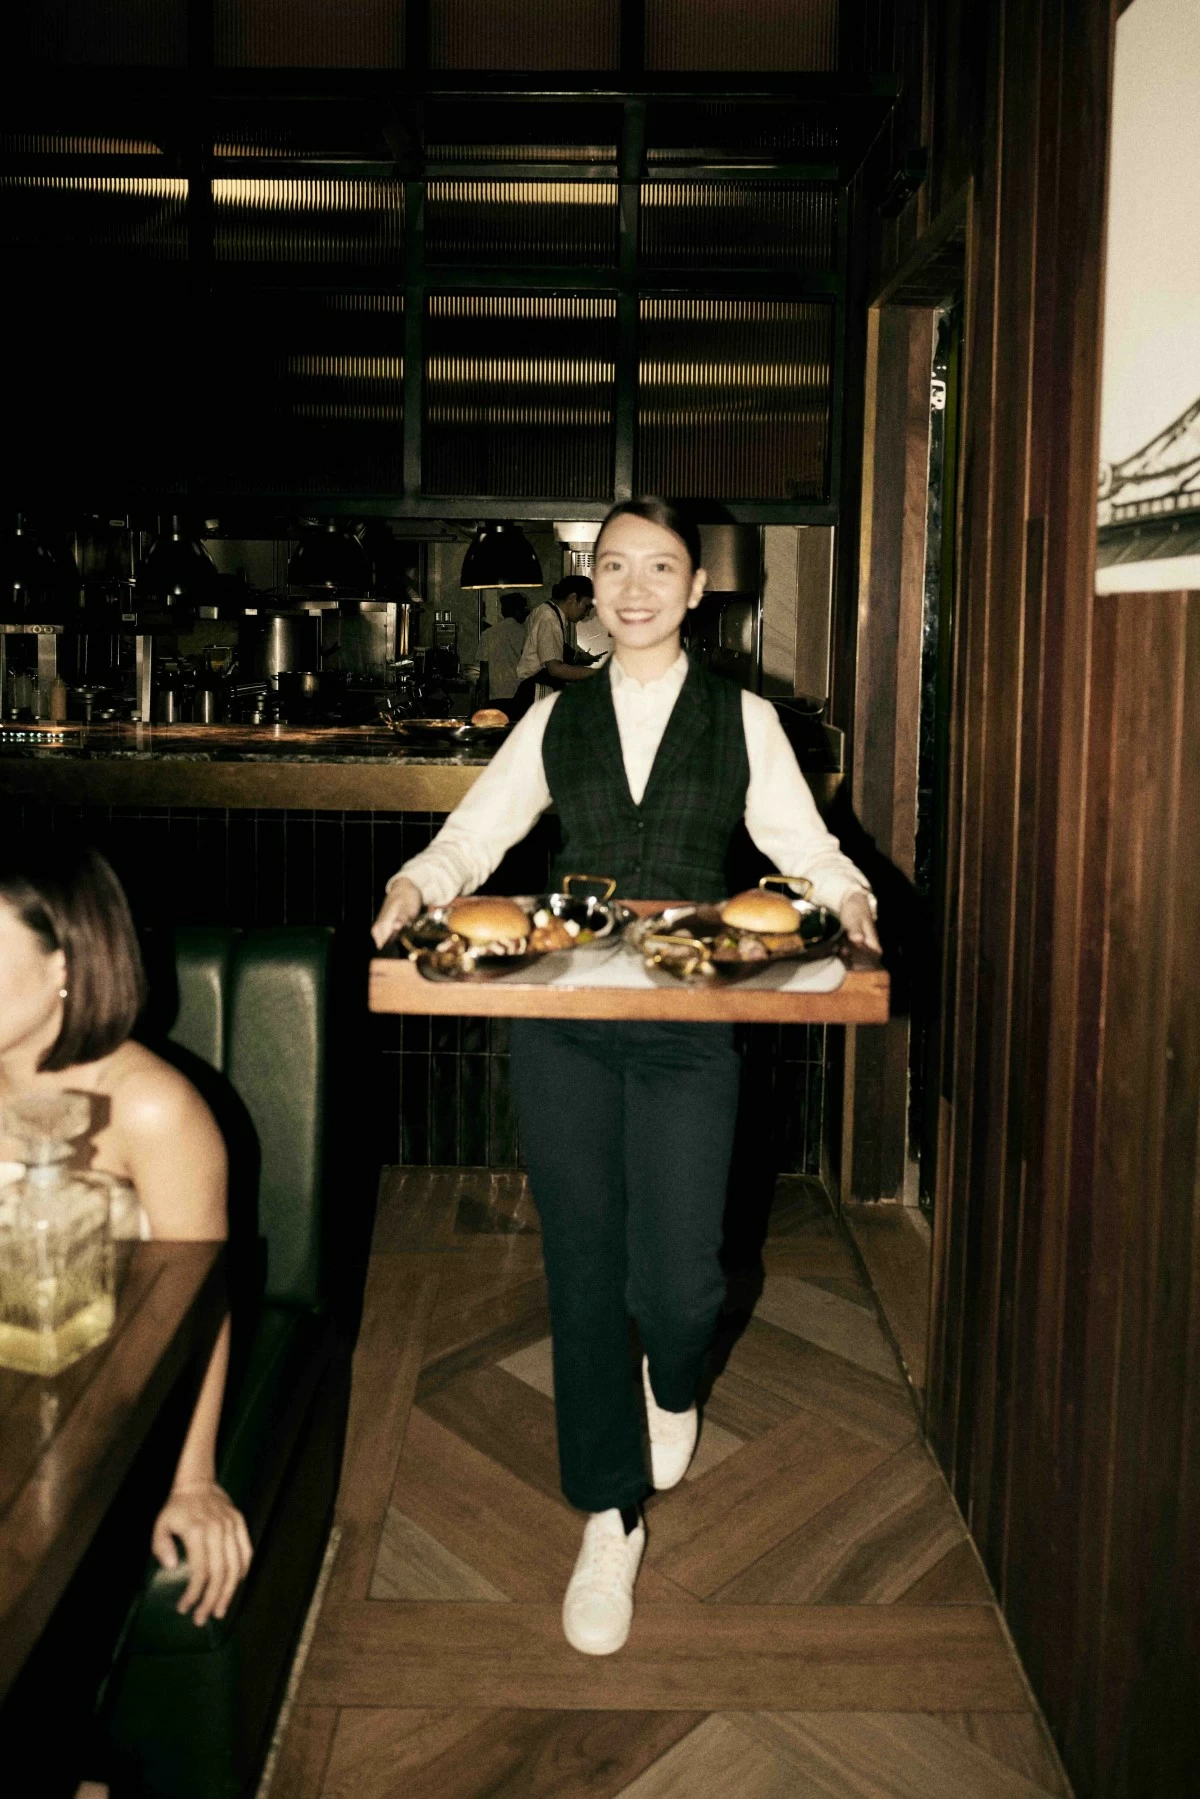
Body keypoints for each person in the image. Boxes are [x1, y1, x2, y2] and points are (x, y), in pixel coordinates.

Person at [372, 498, 880, 1659]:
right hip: (563, 1017)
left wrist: (848, 896)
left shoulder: (744, 717)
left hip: (692, 1021)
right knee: (585, 1267)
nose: (635, 586)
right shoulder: (557, 714)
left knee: (684, 1284)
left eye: (661, 567)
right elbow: (476, 835)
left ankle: (676, 1378)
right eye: (614, 566)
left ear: (697, 588)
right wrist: (415, 885)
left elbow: (804, 848)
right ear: (590, 583)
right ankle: (609, 1516)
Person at [0, 846, 253, 1634]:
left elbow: (199, 1301)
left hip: (79, 1402)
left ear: (65, 965)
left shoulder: (151, 1108)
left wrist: (193, 1479)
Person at [511, 574, 601, 712]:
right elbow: (555, 669)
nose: (587, 613)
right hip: (536, 690)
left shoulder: (546, 612)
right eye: (586, 606)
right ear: (572, 598)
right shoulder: (549, 618)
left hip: (534, 689)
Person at [474, 590, 530, 702]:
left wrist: (482, 694)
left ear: (503, 611)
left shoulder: (488, 634)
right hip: (520, 693)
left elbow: (484, 671)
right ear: (518, 610)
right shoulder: (526, 632)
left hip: (497, 694)